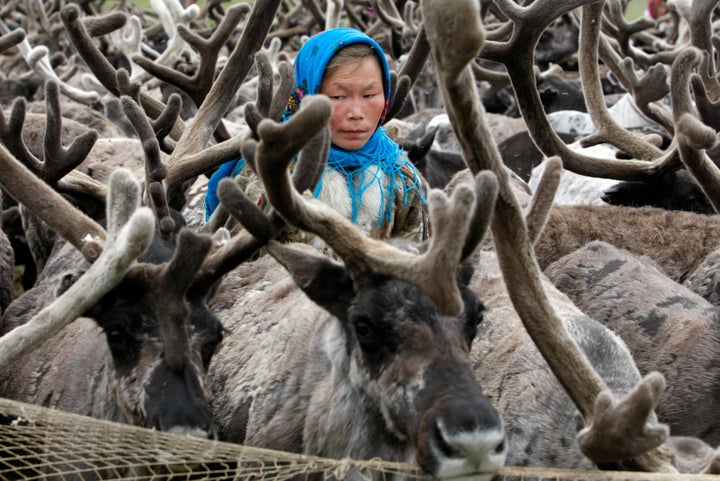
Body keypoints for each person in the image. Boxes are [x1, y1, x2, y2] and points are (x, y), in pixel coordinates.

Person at [204, 27, 428, 242]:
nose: (357, 114)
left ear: (385, 94)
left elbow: (415, 257)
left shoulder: (400, 175)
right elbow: (241, 269)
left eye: (370, 95)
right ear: (306, 93)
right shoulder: (270, 173)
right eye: (338, 97)